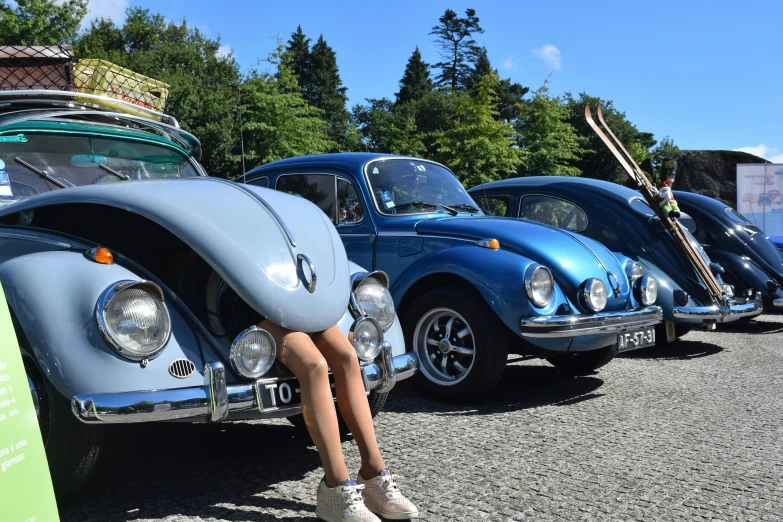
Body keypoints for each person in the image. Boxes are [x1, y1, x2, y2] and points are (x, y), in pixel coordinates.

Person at [260, 319, 419, 522]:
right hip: (260, 307)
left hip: (303, 307)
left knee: (347, 356)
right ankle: (335, 485)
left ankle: (373, 473)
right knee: (314, 365)